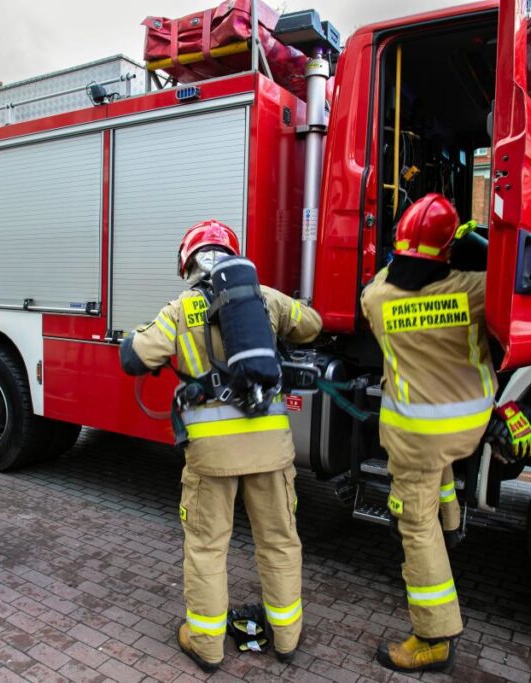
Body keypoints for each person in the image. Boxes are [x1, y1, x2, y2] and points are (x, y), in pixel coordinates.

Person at [119, 220, 322, 672]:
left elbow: (134, 358)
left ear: (188, 262)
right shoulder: (264, 297)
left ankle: (206, 645)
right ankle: (287, 637)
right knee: (280, 542)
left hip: (212, 454)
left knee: (208, 547)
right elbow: (313, 326)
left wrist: (136, 336)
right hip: (270, 449)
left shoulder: (181, 309)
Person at [360, 194, 497, 672]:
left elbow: (380, 283)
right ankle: (453, 523)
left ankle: (434, 637)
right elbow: (510, 278)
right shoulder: (475, 289)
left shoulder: (377, 296)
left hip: (415, 434)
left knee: (414, 524)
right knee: (438, 468)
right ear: (448, 250)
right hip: (469, 426)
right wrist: (470, 243)